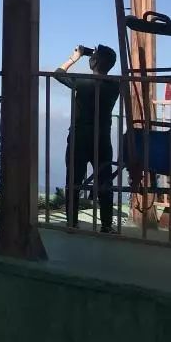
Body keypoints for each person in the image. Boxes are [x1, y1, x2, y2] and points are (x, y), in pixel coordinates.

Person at [52, 44, 119, 232]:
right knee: (104, 180)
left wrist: (75, 57)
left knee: (74, 179)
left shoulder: (82, 81)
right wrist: (93, 56)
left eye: (94, 56)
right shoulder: (116, 85)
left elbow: (58, 73)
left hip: (80, 137)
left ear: (94, 61)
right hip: (102, 137)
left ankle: (71, 223)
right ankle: (106, 224)